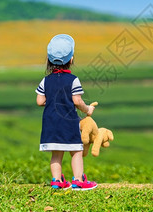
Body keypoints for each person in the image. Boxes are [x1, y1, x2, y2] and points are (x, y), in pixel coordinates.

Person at [35, 34, 98, 190]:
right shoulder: (73, 80)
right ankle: (78, 180)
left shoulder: (46, 80)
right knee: (76, 150)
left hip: (50, 124)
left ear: (49, 61)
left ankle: (56, 181)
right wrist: (88, 109)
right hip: (68, 123)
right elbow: (77, 101)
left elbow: (39, 101)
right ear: (71, 60)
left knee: (56, 154)